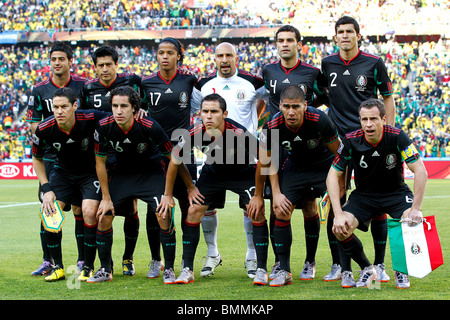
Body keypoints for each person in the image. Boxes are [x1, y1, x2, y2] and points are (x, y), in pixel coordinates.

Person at [320, 15, 397, 283]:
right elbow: (321, 97)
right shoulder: (327, 63)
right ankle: (343, 268)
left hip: (369, 140)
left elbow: (388, 99)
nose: (344, 36)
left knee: (378, 200)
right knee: (336, 198)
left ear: (357, 35)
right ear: (335, 36)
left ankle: (379, 264)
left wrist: (388, 136)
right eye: (340, 32)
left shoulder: (374, 63)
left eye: (349, 32)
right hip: (340, 143)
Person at [92, 86, 192, 284]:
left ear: (135, 108)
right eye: (114, 106)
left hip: (151, 173)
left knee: (163, 214)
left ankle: (169, 268)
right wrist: (105, 198)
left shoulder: (149, 126)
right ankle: (105, 269)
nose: (118, 111)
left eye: (123, 106)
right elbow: (100, 162)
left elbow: (173, 158)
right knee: (103, 216)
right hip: (122, 174)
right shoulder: (103, 126)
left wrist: (179, 189)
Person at [157, 93, 259, 284]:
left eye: (214, 111)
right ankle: (189, 267)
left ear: (224, 113)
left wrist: (259, 194)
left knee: (255, 209)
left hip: (243, 171)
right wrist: (180, 190)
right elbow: (174, 160)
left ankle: (254, 260)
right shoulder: (193, 133)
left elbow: (265, 157)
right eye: (205, 111)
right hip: (214, 172)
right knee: (194, 209)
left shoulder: (238, 132)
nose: (209, 115)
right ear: (200, 113)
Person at [326, 98, 427, 288]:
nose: (368, 124)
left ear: (384, 119)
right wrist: (338, 213)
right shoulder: (350, 140)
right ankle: (367, 268)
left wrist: (416, 209)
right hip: (364, 195)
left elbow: (420, 170)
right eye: (364, 120)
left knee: (412, 222)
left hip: (395, 193)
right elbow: (332, 175)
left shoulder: (397, 136)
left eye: (373, 119)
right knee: (339, 229)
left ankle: (401, 271)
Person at [247, 85, 341, 286]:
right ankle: (284, 270)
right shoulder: (272, 124)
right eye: (287, 106)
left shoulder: (320, 120)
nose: (291, 112)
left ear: (305, 106)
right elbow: (265, 161)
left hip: (324, 167)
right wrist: (275, 192)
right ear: (279, 106)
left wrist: (340, 185)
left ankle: (334, 264)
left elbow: (340, 154)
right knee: (281, 209)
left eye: (296, 106)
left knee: (336, 210)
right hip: (296, 167)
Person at [261, 25, 334, 281]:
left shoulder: (313, 73)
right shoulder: (267, 70)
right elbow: (264, 101)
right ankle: (281, 265)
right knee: (278, 206)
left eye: (289, 40)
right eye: (280, 40)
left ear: (298, 44)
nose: (284, 44)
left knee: (310, 207)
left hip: (313, 146)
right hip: (283, 148)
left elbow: (328, 98)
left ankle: (312, 262)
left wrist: (311, 117)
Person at [191, 42, 268, 278]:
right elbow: (197, 111)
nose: (224, 60)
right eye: (219, 56)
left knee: (251, 209)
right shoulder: (202, 85)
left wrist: (255, 118)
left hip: (245, 157)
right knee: (206, 207)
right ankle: (213, 253)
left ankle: (252, 257)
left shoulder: (253, 82)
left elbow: (266, 100)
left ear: (237, 58)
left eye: (229, 55)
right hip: (214, 157)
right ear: (214, 58)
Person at [80, 45, 144, 277]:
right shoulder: (88, 89)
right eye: (100, 65)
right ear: (95, 67)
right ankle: (101, 264)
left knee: (131, 208)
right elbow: (85, 121)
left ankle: (128, 258)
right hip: (101, 157)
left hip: (129, 156)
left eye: (109, 64)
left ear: (117, 64)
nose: (105, 69)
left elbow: (142, 111)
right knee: (98, 210)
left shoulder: (132, 82)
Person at [31, 87, 107, 282]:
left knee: (90, 212)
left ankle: (88, 267)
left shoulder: (90, 117)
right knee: (50, 212)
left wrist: (138, 111)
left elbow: (115, 116)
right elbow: (37, 158)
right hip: (63, 173)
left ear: (75, 106)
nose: (59, 111)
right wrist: (46, 188)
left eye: (64, 106)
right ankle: (57, 267)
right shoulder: (44, 127)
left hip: (90, 172)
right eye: (55, 107)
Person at [26, 41, 87, 276]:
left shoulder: (84, 86)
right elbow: (34, 124)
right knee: (48, 207)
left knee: (81, 208)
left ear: (70, 62)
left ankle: (83, 260)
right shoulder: (39, 89)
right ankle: (48, 260)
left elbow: (89, 118)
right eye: (53, 59)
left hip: (80, 156)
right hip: (52, 156)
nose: (57, 63)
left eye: (61, 59)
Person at [141, 37, 199, 278]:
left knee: (188, 206)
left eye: (170, 52)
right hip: (155, 154)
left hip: (184, 150)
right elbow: (139, 110)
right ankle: (156, 260)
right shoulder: (146, 83)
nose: (165, 56)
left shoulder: (189, 81)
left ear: (178, 56)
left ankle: (186, 262)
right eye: (161, 52)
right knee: (155, 208)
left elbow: (200, 106)